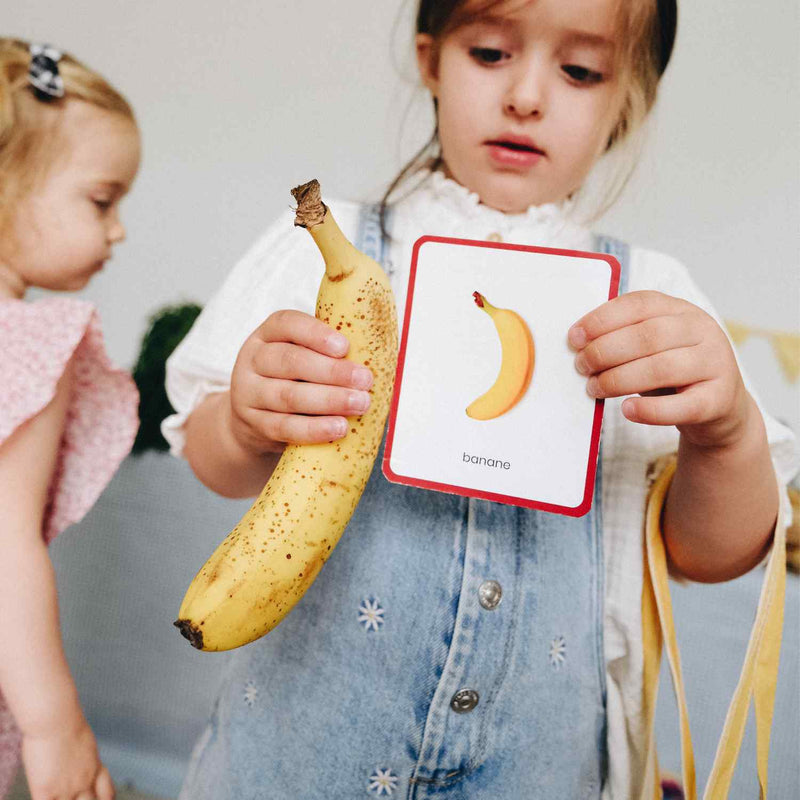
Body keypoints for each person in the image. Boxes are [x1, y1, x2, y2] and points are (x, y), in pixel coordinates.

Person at [163, 1, 797, 797]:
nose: (527, 95)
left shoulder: (656, 300)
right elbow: (210, 458)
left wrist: (727, 433)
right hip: (300, 752)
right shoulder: (330, 257)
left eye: (580, 70)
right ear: (431, 61)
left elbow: (709, 555)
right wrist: (246, 418)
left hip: (539, 768)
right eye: (491, 52)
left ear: (627, 100)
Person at [0, 39, 140, 800]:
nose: (118, 230)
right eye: (101, 200)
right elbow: (4, 545)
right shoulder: (27, 341)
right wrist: (57, 726)